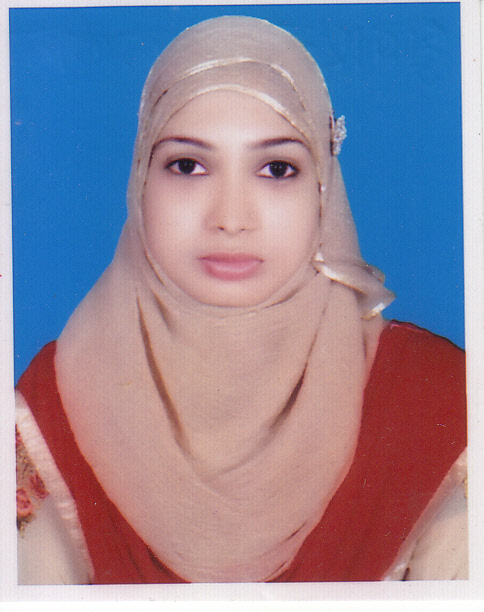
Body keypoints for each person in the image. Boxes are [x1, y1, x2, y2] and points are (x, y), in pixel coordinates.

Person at [15, 16, 467, 584]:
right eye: (188, 166)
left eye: (277, 169)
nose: (230, 218)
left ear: (324, 193)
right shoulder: (54, 404)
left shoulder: (439, 403)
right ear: (140, 183)